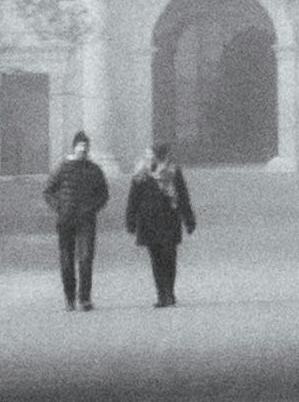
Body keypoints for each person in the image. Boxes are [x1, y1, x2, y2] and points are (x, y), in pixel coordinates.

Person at [123, 143, 198, 308]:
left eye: (151, 154)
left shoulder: (173, 171)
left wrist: (189, 219)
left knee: (169, 257)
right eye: (147, 153)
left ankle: (169, 292)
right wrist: (130, 220)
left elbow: (183, 196)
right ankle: (161, 295)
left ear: (160, 155)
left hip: (169, 220)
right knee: (156, 259)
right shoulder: (141, 172)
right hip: (148, 221)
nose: (148, 156)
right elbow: (133, 198)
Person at [43, 130, 109, 311]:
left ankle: (85, 298)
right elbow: (48, 191)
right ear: (74, 148)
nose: (83, 149)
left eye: (86, 147)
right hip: (66, 220)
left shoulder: (94, 170)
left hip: (86, 220)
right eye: (80, 146)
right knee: (66, 260)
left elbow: (103, 194)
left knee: (86, 259)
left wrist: (93, 207)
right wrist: (59, 207)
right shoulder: (62, 168)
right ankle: (70, 298)